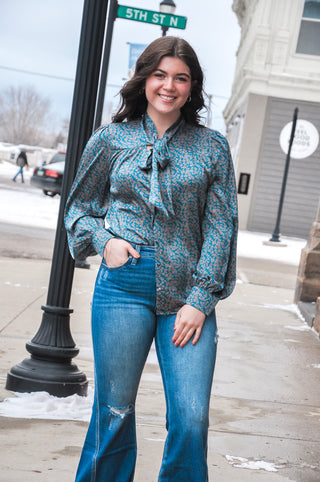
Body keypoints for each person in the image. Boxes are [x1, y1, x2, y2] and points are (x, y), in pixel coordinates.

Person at [65, 36, 238, 482]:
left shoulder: (211, 146)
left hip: (188, 298)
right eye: (160, 75)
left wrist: (201, 300)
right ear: (144, 79)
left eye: (181, 78)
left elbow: (221, 228)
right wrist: (105, 241)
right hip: (122, 288)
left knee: (191, 418)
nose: (169, 86)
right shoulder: (110, 139)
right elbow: (79, 210)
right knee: (114, 411)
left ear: (192, 87)